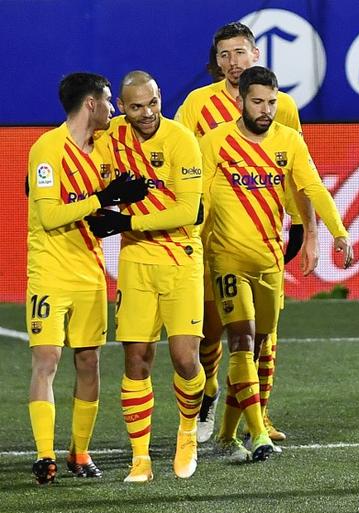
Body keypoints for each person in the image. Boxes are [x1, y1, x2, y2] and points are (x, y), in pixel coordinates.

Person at [199, 66, 352, 461]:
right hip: (226, 259)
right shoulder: (215, 142)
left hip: (269, 260)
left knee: (261, 342)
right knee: (242, 340)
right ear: (240, 100)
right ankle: (258, 434)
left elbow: (312, 187)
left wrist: (337, 231)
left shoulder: (290, 142)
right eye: (258, 102)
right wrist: (192, 244)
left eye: (271, 102)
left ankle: (227, 436)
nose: (266, 109)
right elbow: (201, 202)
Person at [175, 22, 303, 447]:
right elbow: (182, 164)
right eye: (224, 55)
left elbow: (296, 173)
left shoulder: (281, 106)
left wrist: (307, 230)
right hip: (212, 240)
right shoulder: (197, 104)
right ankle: (210, 392)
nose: (232, 63)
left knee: (262, 335)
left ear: (256, 54)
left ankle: (259, 416)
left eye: (240, 53)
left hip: (264, 238)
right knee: (212, 331)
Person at [25, 72, 148, 484]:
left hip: (91, 272)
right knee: (47, 358)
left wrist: (115, 212)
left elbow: (92, 218)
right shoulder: (47, 149)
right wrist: (103, 198)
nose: (114, 108)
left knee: (89, 361)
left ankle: (80, 453)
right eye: (109, 101)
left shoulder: (105, 151)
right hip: (49, 272)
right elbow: (49, 214)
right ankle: (45, 455)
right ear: (91, 104)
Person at [85, 71, 205, 482]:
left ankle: (187, 433)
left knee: (185, 358)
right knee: (136, 359)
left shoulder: (181, 141)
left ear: (160, 97)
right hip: (136, 259)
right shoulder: (111, 136)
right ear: (121, 106)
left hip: (182, 258)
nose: (148, 113)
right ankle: (141, 458)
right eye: (137, 106)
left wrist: (125, 219)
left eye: (153, 102)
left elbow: (188, 211)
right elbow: (76, 143)